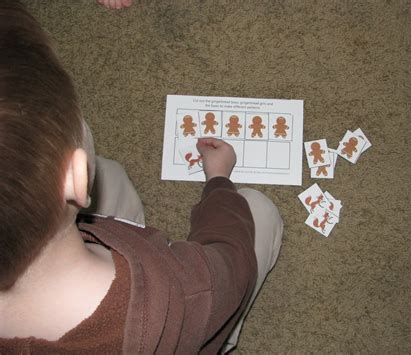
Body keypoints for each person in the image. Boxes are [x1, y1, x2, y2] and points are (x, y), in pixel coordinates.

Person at [0, 1, 283, 353]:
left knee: (110, 176)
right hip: (184, 319)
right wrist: (219, 181)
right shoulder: (176, 295)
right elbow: (230, 266)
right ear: (74, 178)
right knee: (257, 211)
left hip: (81, 243)